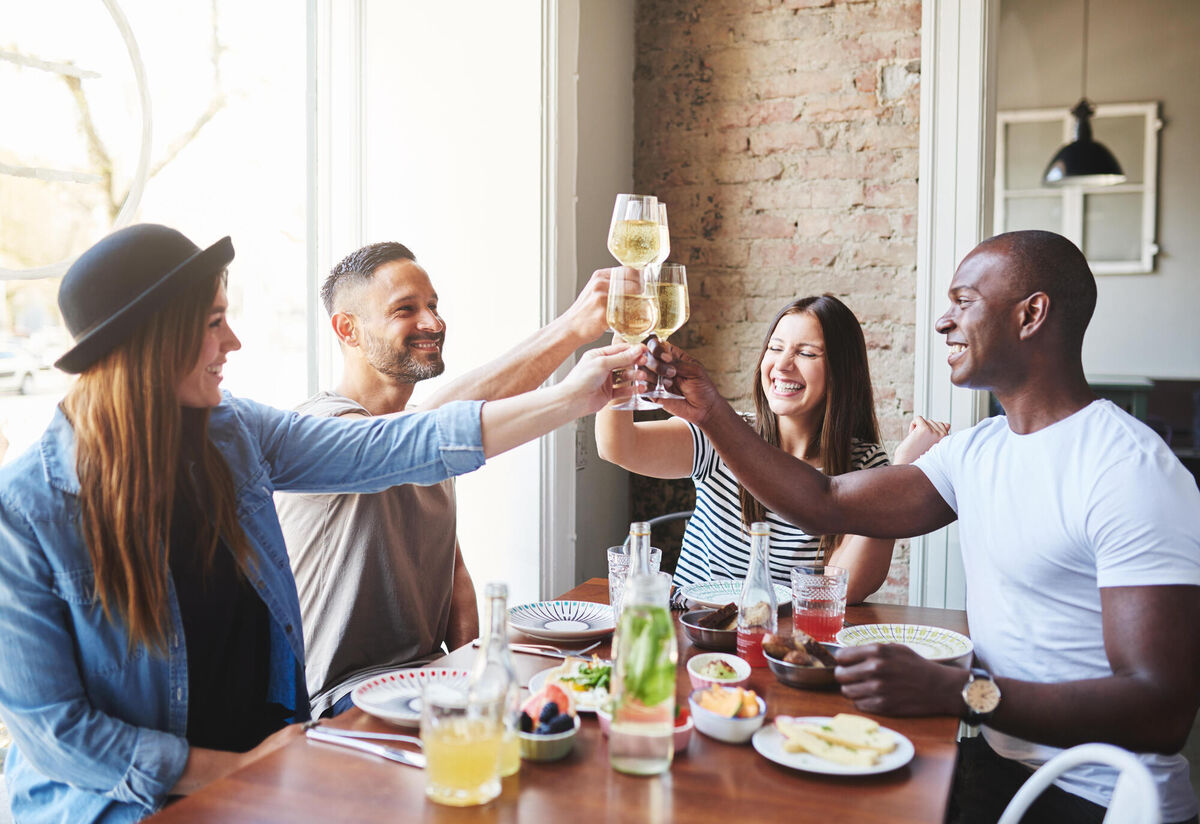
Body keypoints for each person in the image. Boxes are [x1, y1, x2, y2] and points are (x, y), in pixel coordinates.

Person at [0, 224, 644, 823]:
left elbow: (403, 445)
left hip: (264, 774)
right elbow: (61, 735)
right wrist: (242, 769)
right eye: (216, 323)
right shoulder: (25, 510)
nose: (234, 342)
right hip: (123, 807)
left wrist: (576, 396)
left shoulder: (232, 434)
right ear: (154, 344)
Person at [649, 230, 1200, 824]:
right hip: (996, 760)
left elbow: (1160, 712)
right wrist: (710, 411)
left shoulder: (1129, 469)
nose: (944, 321)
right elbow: (825, 499)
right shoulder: (979, 452)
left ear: (1031, 314)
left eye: (964, 301)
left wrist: (958, 692)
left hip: (1105, 796)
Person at [275, 242, 612, 717]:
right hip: (338, 702)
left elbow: (454, 578)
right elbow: (421, 432)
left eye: (432, 305)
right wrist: (570, 332)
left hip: (427, 680)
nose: (433, 323)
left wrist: (473, 671)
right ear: (347, 329)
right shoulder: (322, 430)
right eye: (405, 310)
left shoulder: (422, 433)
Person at [595, 294, 947, 604]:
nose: (782, 365)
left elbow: (844, 588)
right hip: (696, 631)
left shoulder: (865, 464)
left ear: (842, 371)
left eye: (806, 353)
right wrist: (624, 347)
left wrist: (900, 472)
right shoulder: (723, 432)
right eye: (775, 348)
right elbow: (617, 447)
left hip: (782, 644)